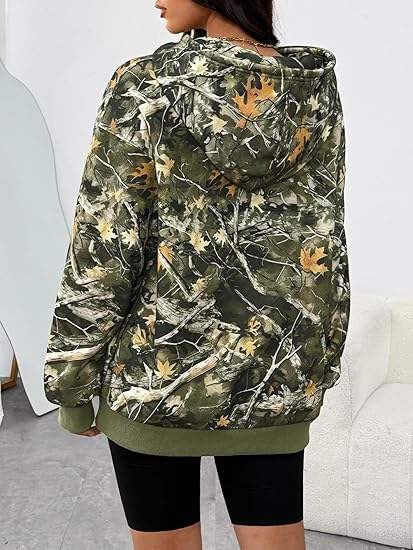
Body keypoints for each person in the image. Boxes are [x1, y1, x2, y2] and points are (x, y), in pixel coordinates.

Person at [43, 1, 350, 548]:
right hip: (272, 374)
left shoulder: (146, 85)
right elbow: (324, 233)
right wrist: (317, 358)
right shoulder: (311, 90)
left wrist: (71, 378)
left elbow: (105, 243)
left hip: (153, 375)